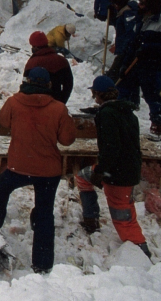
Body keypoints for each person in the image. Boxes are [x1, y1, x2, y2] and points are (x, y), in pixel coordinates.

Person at [0, 67, 77, 274]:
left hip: (20, 165)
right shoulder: (59, 108)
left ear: (26, 81)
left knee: (1, 187)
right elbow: (67, 139)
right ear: (48, 85)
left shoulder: (14, 102)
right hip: (48, 171)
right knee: (45, 213)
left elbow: (2, 121)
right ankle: (42, 264)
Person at [75, 76, 151, 259]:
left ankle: (141, 251)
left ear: (97, 95)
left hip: (117, 173)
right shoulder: (127, 112)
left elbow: (111, 147)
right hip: (130, 168)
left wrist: (101, 171)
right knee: (82, 177)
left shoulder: (107, 115)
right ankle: (91, 219)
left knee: (122, 215)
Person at [118, 0, 161, 140]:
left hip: (153, 65)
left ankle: (157, 124)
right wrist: (124, 64)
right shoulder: (140, 20)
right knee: (124, 89)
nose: (139, 5)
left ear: (151, 5)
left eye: (142, 3)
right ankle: (120, 121)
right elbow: (132, 44)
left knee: (152, 95)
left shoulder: (159, 21)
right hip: (136, 63)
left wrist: (150, 48)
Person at [24, 31, 74, 104]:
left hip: (35, 104)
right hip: (56, 102)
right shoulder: (62, 61)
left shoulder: (32, 63)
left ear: (35, 47)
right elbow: (68, 84)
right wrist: (62, 102)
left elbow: (25, 86)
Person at [106, 0, 138, 79]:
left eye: (113, 3)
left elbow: (130, 33)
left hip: (126, 50)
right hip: (124, 49)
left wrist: (124, 50)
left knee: (116, 74)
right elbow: (119, 26)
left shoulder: (128, 13)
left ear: (117, 3)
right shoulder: (123, 12)